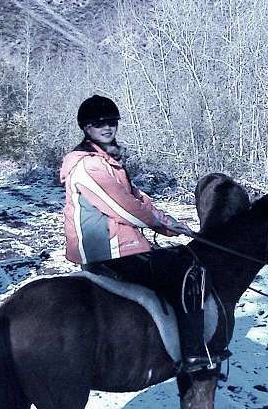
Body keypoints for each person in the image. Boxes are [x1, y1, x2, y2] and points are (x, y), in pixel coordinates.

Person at [60, 95, 228, 373]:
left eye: (111, 121)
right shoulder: (88, 165)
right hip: (109, 251)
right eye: (98, 123)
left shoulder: (107, 161)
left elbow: (137, 198)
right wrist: (159, 224)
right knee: (190, 268)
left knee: (178, 258)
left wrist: (168, 222)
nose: (107, 127)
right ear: (86, 128)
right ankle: (194, 352)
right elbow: (124, 208)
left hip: (122, 245)